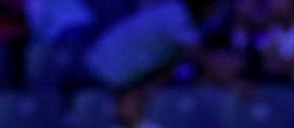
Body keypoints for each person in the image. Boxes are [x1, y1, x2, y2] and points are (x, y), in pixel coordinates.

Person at [83, 0, 232, 89]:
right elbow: (204, 60)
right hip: (104, 69)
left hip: (117, 71)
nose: (215, 13)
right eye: (214, 7)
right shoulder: (176, 18)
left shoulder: (178, 13)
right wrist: (235, 84)